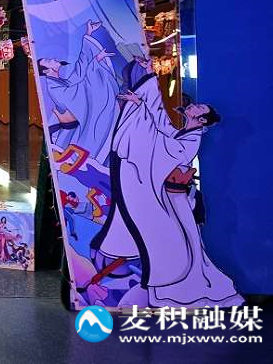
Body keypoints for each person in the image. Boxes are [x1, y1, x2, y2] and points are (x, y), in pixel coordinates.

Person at [90, 58, 242, 307]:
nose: (194, 106)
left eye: (199, 108)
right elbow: (160, 125)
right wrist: (146, 93)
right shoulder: (182, 132)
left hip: (171, 202)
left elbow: (163, 147)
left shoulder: (192, 139)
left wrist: (141, 106)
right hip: (164, 197)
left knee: (174, 243)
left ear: (202, 121)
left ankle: (176, 291)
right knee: (162, 238)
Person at [37, 20, 119, 163]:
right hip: (71, 134)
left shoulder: (59, 83)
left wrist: (87, 36)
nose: (53, 59)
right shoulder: (54, 89)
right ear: (47, 71)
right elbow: (80, 88)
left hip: (75, 129)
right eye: (49, 61)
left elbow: (79, 73)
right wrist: (95, 63)